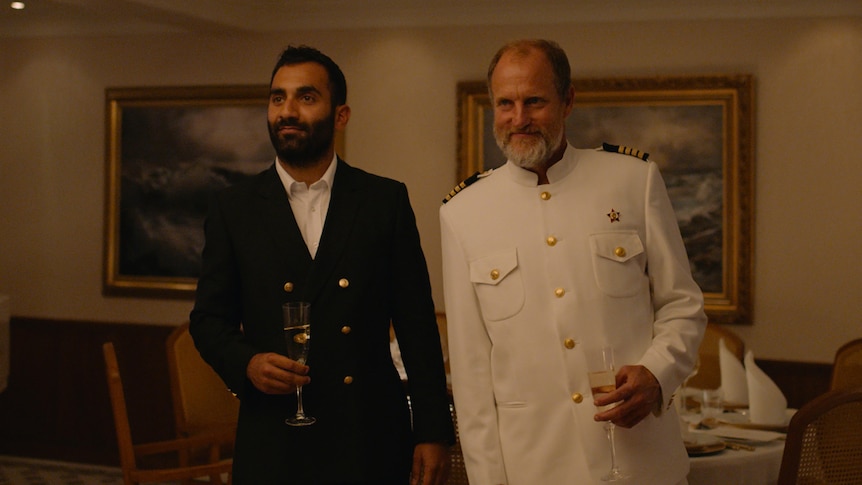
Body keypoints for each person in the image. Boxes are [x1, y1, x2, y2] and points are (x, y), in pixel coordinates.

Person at [440, 39, 707, 484]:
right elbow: (471, 376)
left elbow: (683, 305)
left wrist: (658, 375)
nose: (519, 118)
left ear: (568, 102)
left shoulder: (632, 180)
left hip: (641, 465)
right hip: (536, 469)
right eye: (505, 103)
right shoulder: (462, 213)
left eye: (535, 101)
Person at [190, 45, 454, 485]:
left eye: (306, 97)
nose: (287, 111)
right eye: (278, 98)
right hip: (274, 435)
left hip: (368, 435)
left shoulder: (382, 201)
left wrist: (432, 431)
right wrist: (248, 363)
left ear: (341, 114)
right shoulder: (233, 208)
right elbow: (207, 320)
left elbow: (416, 324)